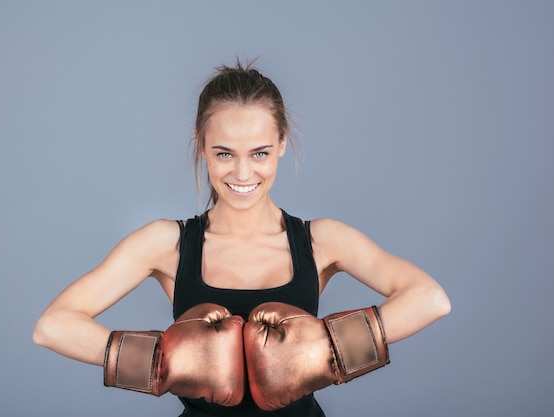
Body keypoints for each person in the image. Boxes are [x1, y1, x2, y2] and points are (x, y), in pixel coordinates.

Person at [33, 60, 451, 417]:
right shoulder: (167, 244)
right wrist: (159, 364)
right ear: (201, 146)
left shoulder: (321, 241)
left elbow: (430, 298)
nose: (243, 173)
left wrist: (330, 349)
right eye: (224, 153)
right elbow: (52, 326)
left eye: (260, 153)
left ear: (283, 144)